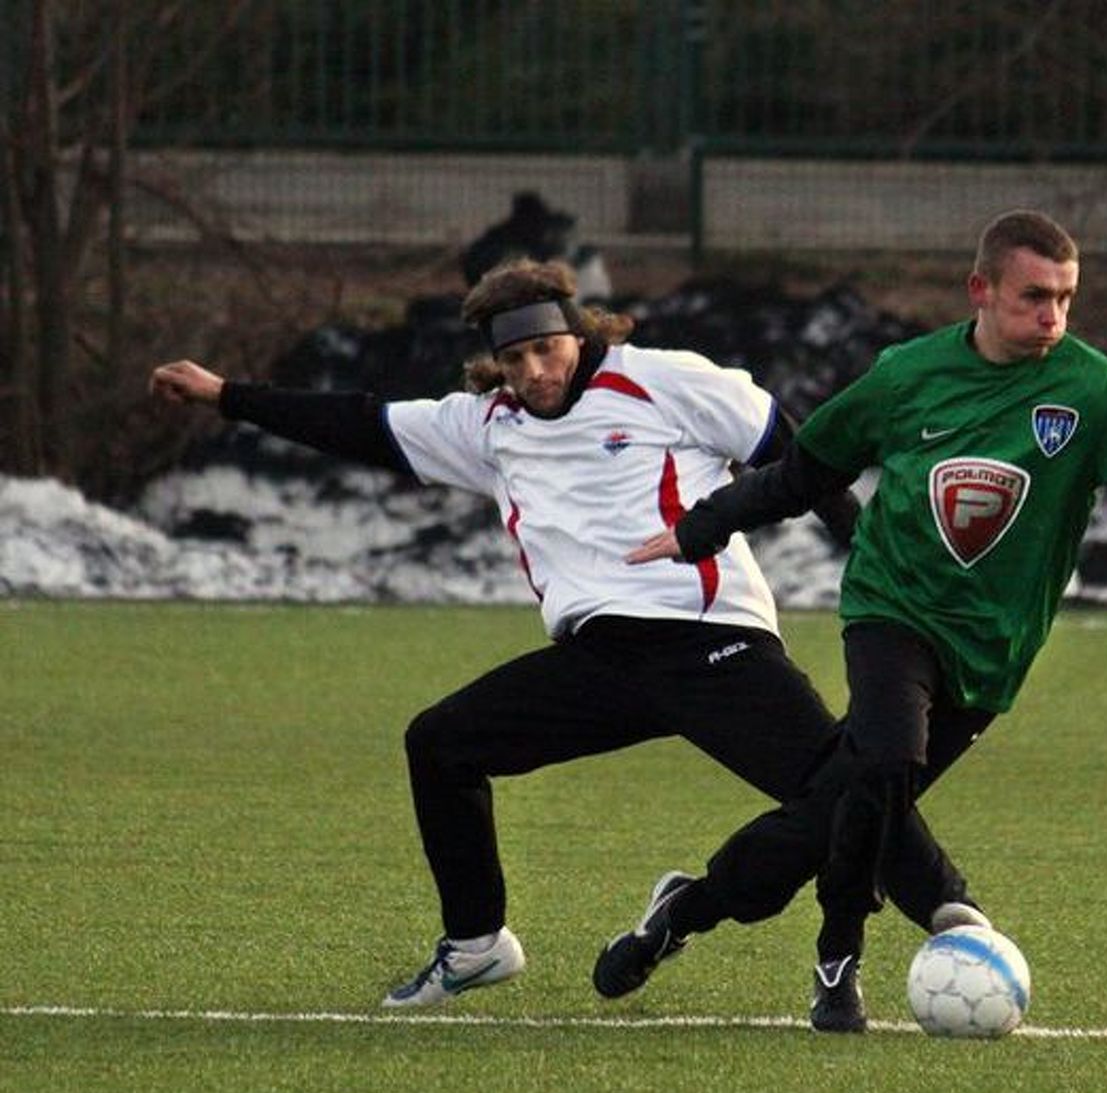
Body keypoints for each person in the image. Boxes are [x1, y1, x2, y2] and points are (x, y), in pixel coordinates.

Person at [148, 257, 982, 1011]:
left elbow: (802, 454)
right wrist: (228, 396)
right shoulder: (488, 426)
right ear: (495, 364)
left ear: (577, 335)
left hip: (709, 642)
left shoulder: (665, 380)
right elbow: (359, 423)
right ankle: (476, 945)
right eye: (515, 359)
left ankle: (956, 917)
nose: (535, 370)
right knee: (440, 743)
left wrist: (867, 558)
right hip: (596, 662)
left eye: (547, 348)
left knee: (841, 786)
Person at [626, 209, 1107, 1031]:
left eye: (1066, 299)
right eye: (1033, 297)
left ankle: (688, 907)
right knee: (888, 759)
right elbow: (803, 472)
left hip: (993, 649)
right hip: (889, 608)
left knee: (840, 807)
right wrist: (701, 524)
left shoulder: (1094, 389)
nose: (1052, 318)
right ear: (980, 290)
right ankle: (838, 958)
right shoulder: (907, 375)